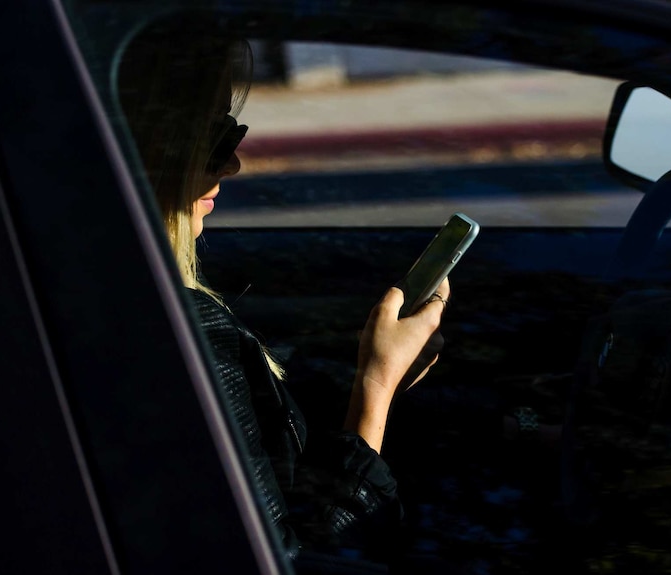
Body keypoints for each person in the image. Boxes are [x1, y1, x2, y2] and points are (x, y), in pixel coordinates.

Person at [116, 15, 450, 569]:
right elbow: (299, 560)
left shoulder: (134, 303)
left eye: (234, 134)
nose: (234, 162)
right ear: (158, 152)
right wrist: (376, 384)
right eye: (215, 138)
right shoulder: (180, 336)